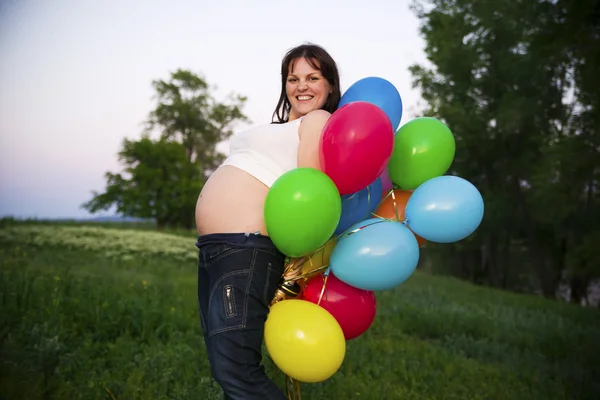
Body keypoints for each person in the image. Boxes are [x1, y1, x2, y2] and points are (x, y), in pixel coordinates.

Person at [194, 43, 342, 399]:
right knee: (226, 367)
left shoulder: (317, 120)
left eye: (312, 77)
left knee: (235, 371)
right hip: (219, 247)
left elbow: (309, 187)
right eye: (293, 78)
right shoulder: (281, 126)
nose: (301, 86)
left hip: (246, 248)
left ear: (330, 86)